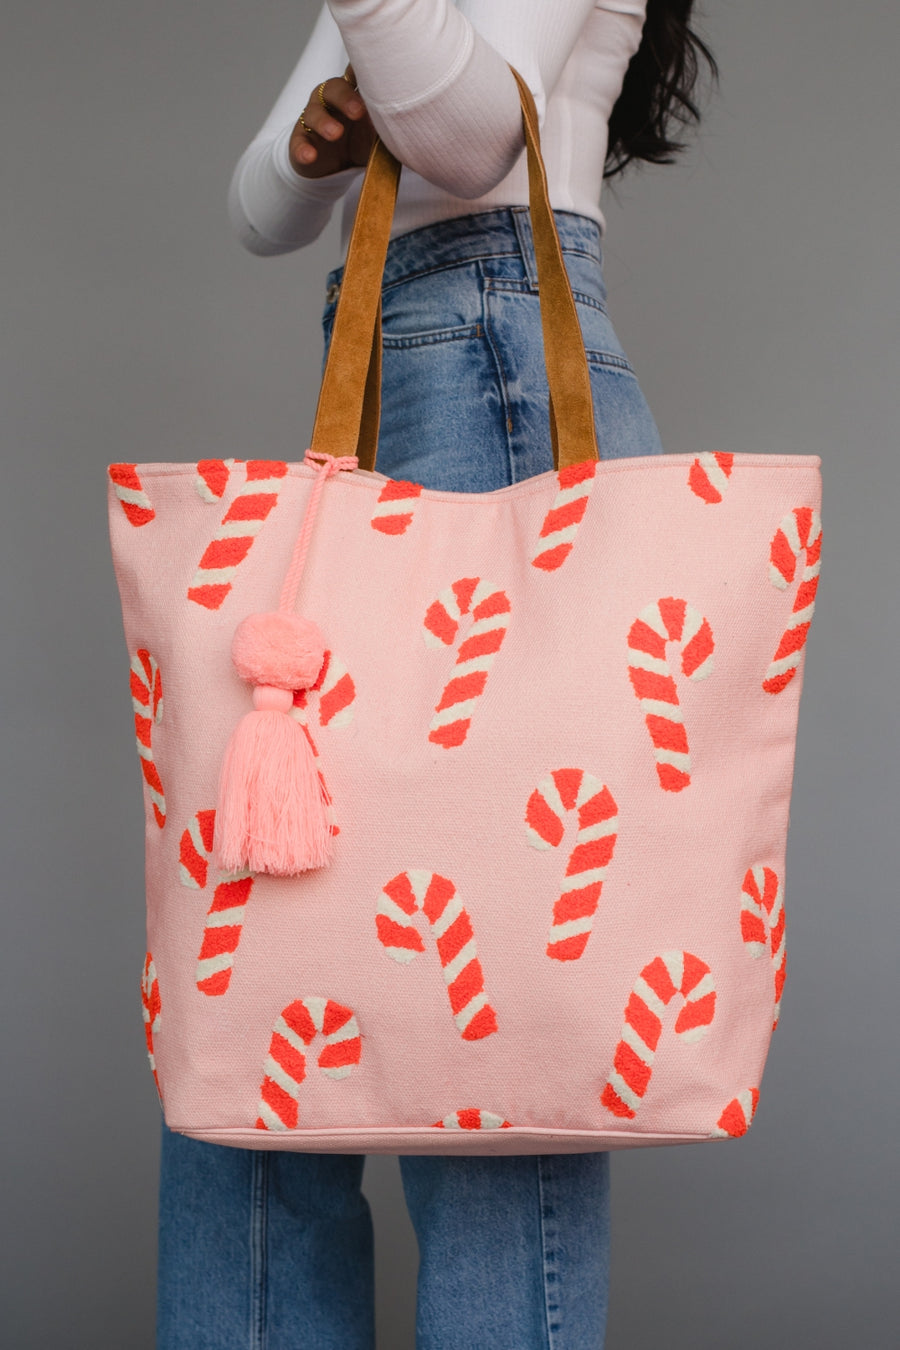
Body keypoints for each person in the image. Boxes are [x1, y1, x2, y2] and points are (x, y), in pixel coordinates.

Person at [158, 3, 717, 1347]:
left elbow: (471, 142)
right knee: (257, 1035)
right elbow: (261, 205)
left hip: (497, 368)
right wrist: (311, 146)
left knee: (493, 1059)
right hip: (413, 358)